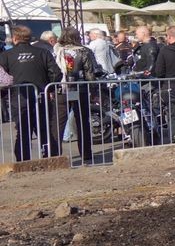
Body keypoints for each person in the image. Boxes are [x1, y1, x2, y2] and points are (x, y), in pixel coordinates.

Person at [0, 25, 63, 161]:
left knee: (23, 132)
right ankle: (51, 159)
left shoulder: (6, 55)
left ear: (15, 38)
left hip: (19, 97)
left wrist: (5, 93)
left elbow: (2, 79)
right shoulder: (42, 52)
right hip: (41, 96)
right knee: (45, 130)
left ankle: (23, 162)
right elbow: (57, 73)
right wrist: (49, 88)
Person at [52, 27, 100, 163]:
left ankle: (55, 154)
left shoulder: (56, 50)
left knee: (58, 122)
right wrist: (94, 91)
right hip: (80, 88)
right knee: (82, 122)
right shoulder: (84, 51)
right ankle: (86, 154)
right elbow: (90, 72)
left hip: (61, 88)